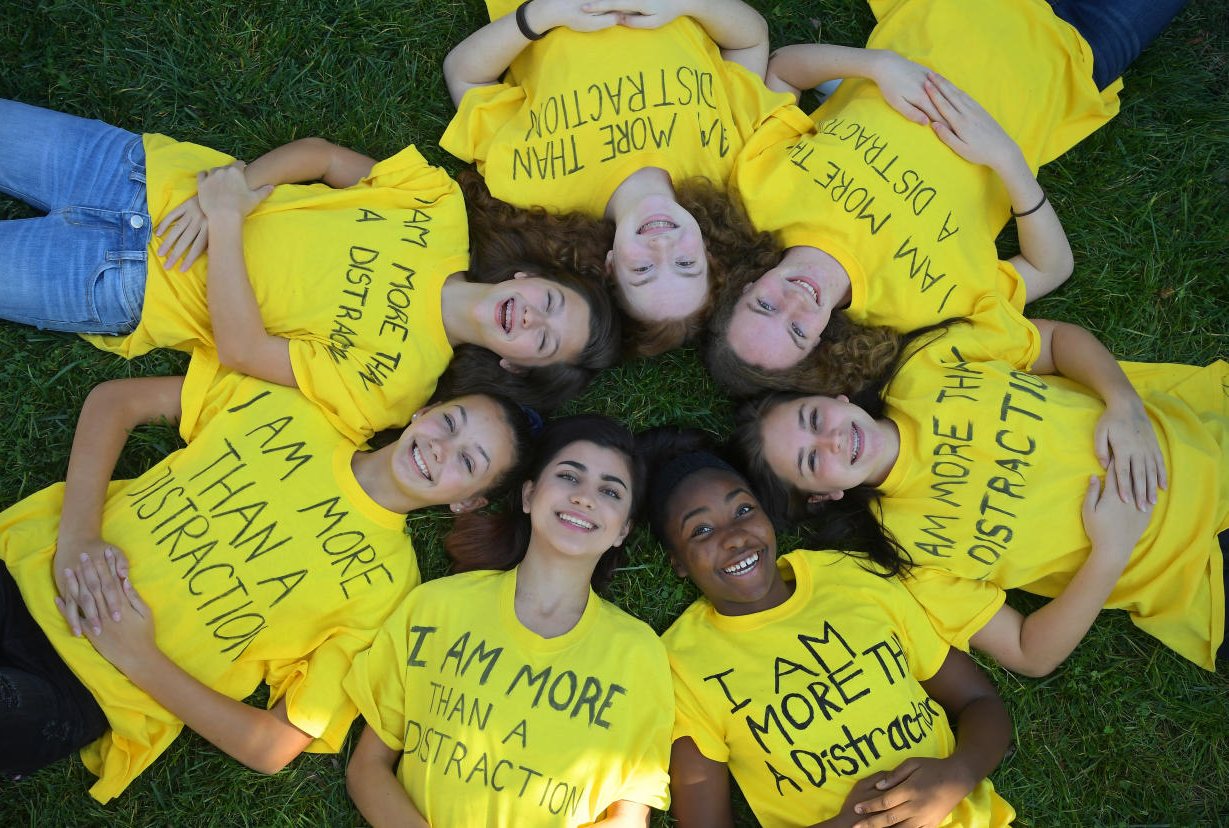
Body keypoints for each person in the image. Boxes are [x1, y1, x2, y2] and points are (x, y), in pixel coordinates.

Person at [0, 345, 533, 802]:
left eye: (468, 462)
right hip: (22, 574)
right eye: (449, 422)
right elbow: (115, 402)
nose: (440, 448)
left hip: (81, 694)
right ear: (422, 412)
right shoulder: (293, 407)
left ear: (469, 503)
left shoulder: (387, 593)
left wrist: (137, 656)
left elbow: (272, 747)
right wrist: (79, 536)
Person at [0, 97, 618, 438]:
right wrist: (235, 189)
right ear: (526, 279)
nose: (532, 318)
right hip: (142, 172)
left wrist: (228, 222)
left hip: (121, 284)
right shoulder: (439, 207)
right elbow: (321, 157)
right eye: (552, 304)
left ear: (516, 365)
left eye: (543, 342)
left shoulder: (394, 390)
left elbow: (242, 349)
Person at [705, 0, 1189, 396]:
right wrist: (1006, 160)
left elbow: (784, 71)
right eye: (797, 331)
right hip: (1075, 51)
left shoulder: (759, 192)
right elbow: (1051, 269)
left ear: (746, 288)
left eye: (766, 306)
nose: (794, 301)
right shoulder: (915, 310)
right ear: (819, 345)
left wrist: (879, 65)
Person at [735, 293, 1228, 674]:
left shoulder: (924, 364)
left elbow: (1054, 343)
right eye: (810, 460)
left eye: (815, 418)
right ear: (824, 495)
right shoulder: (907, 557)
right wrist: (1110, 553)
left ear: (838, 399)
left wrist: (1124, 403)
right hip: (1199, 571)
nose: (833, 440)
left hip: (1203, 442)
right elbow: (1028, 653)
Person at [643, 434, 1014, 827]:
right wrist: (853, 822)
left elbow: (979, 701)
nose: (734, 536)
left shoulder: (850, 576)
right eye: (700, 530)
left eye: (744, 509)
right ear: (678, 562)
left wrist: (955, 775)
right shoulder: (682, 664)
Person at [343, 415, 673, 826]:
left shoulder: (639, 655)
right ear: (529, 495)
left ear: (622, 530)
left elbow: (628, 817)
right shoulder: (437, 607)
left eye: (609, 490)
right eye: (570, 476)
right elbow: (367, 767)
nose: (585, 498)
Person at [440, 0, 800, 353]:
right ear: (708, 250)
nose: (662, 247)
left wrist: (545, 13)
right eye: (686, 264)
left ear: (610, 266)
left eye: (643, 269)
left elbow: (463, 72)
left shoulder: (532, 184)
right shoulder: (731, 156)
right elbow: (750, 40)